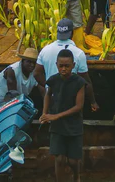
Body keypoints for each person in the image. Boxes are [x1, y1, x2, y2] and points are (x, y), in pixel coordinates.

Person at [34, 19, 100, 112]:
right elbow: (86, 81)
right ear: (72, 33)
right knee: (71, 124)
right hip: (72, 100)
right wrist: (93, 101)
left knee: (54, 122)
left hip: (52, 98)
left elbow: (36, 74)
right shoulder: (79, 53)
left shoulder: (45, 50)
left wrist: (49, 87)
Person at [41, 49, 86, 182]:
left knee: (73, 161)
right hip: (57, 126)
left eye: (67, 66)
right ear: (56, 65)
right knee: (59, 159)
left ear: (73, 65)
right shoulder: (53, 80)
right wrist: (45, 113)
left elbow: (78, 106)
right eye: (61, 66)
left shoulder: (79, 82)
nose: (64, 69)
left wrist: (56, 116)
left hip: (73, 125)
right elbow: (48, 94)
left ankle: (77, 177)